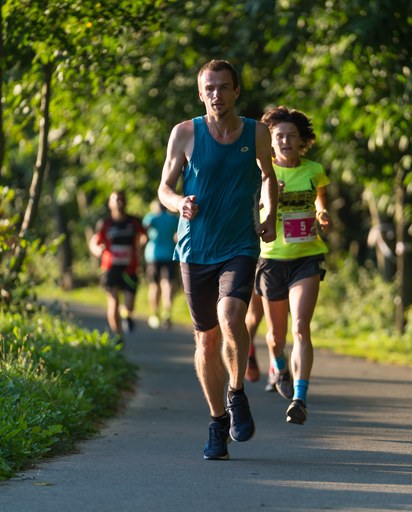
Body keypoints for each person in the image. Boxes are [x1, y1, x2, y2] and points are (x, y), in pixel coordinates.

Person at [157, 59, 278, 460]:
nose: (216, 94)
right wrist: (179, 203)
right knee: (206, 340)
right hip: (194, 250)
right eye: (210, 88)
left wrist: (269, 217)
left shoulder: (256, 132)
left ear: (236, 91)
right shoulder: (185, 133)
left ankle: (237, 392)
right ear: (200, 92)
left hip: (239, 245)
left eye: (224, 87)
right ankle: (216, 422)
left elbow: (268, 176)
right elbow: (164, 187)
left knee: (231, 318)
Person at [255, 106, 332, 426]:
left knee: (301, 327)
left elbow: (320, 198)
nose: (285, 141)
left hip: (307, 256)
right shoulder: (261, 172)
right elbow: (253, 206)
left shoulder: (314, 169)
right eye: (279, 136)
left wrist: (322, 213)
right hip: (272, 258)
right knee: (276, 336)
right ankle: (278, 366)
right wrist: (268, 198)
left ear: (302, 141)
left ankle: (300, 397)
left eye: (291, 136)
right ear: (270, 142)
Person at [88, 190, 148, 343]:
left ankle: (127, 316)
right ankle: (118, 335)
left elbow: (144, 235)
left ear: (125, 202)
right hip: (110, 268)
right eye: (116, 200)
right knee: (113, 302)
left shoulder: (133, 221)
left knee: (129, 305)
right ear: (110, 204)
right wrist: (97, 250)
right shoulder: (105, 223)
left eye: (121, 200)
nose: (119, 203)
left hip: (130, 268)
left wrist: (142, 243)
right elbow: (94, 242)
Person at [142, 200, 180, 330]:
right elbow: (177, 235)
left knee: (154, 286)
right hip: (170, 253)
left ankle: (154, 314)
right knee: (167, 284)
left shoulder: (151, 217)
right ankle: (167, 314)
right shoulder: (173, 219)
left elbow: (143, 232)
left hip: (153, 255)